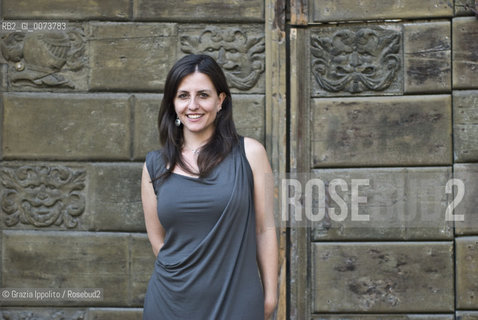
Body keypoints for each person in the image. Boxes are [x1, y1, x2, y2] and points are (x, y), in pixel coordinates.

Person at [141, 54, 278, 320]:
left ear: (220, 100)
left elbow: (265, 229)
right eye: (183, 96)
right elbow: (158, 240)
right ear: (173, 103)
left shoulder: (252, 153)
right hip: (170, 303)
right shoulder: (154, 165)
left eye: (203, 95)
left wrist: (271, 294)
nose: (193, 105)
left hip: (237, 300)